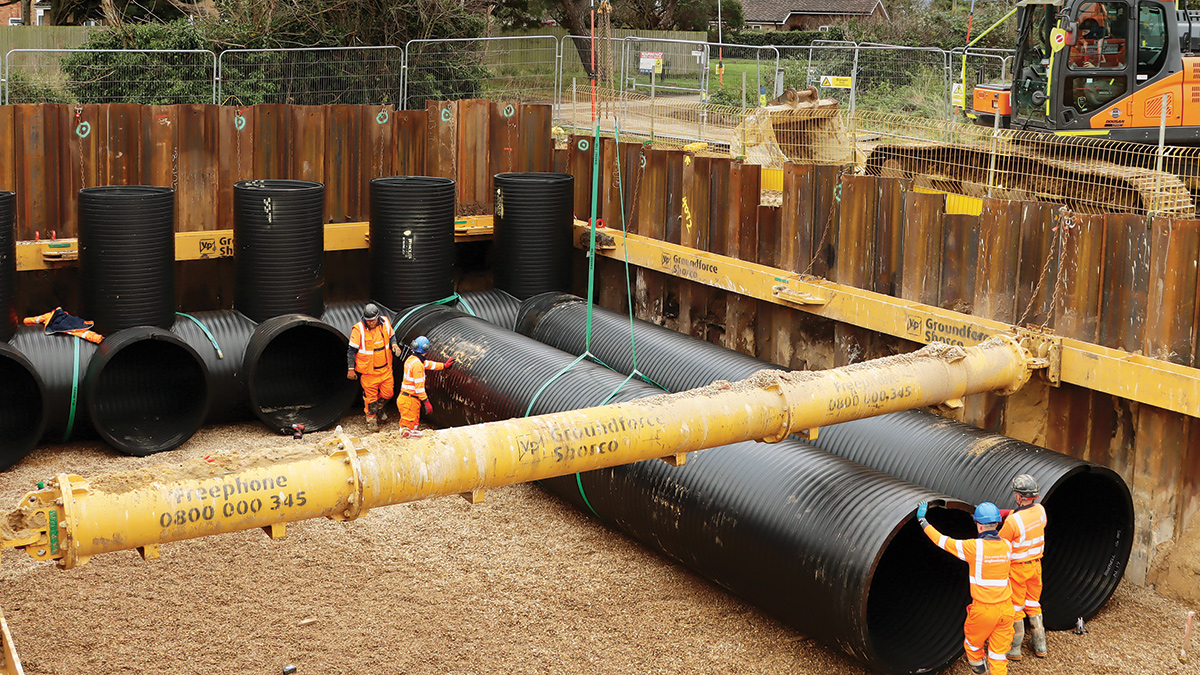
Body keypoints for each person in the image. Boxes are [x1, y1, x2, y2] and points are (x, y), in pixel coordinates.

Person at [917, 501, 1014, 675]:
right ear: (997, 524)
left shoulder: (974, 548)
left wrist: (922, 520)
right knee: (998, 655)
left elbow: (942, 541)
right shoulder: (1007, 546)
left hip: (984, 610)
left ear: (979, 525)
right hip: (1007, 609)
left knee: (973, 646)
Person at [1000, 474, 1049, 660]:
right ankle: (1040, 645)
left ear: (1019, 497)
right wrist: (1006, 512)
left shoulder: (1013, 522)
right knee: (1033, 604)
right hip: (1036, 567)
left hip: (1018, 570)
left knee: (1016, 607)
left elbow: (1001, 542)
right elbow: (1027, 518)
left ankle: (1014, 649)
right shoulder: (1041, 511)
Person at [346, 303, 401, 432]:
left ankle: (379, 407)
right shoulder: (358, 329)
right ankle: (371, 419)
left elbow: (392, 335)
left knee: (389, 393)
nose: (371, 323)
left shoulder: (385, 322)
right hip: (369, 372)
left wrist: (394, 345)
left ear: (378, 317)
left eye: (373, 320)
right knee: (370, 398)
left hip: (386, 369)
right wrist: (350, 369)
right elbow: (351, 351)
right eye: (368, 320)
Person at [398, 335, 453, 438]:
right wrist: (427, 402)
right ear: (426, 350)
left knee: (412, 428)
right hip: (410, 400)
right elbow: (419, 388)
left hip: (407, 399)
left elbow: (429, 364)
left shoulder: (412, 359)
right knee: (408, 431)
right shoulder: (417, 365)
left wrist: (443, 366)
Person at [23, 307, 103, 343]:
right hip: (72, 324)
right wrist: (97, 338)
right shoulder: (67, 325)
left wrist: (26, 321)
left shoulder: (48, 316)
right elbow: (82, 333)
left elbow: (35, 319)